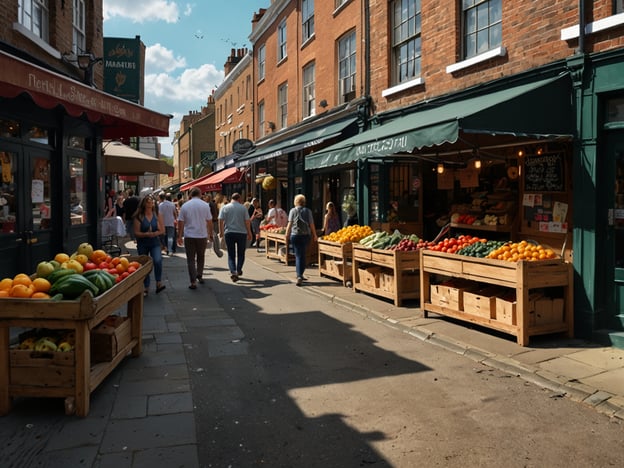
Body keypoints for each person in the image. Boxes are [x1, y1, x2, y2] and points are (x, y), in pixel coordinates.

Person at [177, 187, 216, 289]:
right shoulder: (205, 205)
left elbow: (180, 222)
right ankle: (200, 274)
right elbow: (209, 221)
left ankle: (193, 281)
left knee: (190, 259)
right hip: (201, 235)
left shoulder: (185, 206)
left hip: (189, 235)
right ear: (200, 194)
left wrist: (179, 235)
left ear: (190, 195)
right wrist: (210, 233)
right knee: (201, 256)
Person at [133, 195, 165, 296]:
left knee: (157, 260)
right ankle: (146, 287)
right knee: (144, 264)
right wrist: (146, 234)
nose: (151, 203)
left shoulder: (157, 215)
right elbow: (136, 232)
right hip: (143, 243)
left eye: (152, 202)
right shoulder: (139, 216)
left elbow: (162, 230)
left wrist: (155, 233)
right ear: (144, 204)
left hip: (154, 242)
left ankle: (158, 282)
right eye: (149, 202)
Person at [218, 192, 252, 283]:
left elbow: (220, 220)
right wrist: (249, 232)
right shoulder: (243, 208)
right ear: (239, 199)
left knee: (231, 254)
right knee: (241, 253)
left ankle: (233, 271)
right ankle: (239, 269)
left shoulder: (225, 207)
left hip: (229, 232)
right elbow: (247, 221)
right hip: (241, 233)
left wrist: (221, 232)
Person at [285, 194, 317, 286]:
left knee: (298, 255)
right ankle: (300, 274)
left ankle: (299, 275)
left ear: (296, 202)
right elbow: (311, 224)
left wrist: (286, 235)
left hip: (295, 235)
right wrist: (315, 235)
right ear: (304, 202)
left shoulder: (292, 211)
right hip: (305, 235)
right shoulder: (308, 211)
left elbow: (290, 224)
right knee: (302, 254)